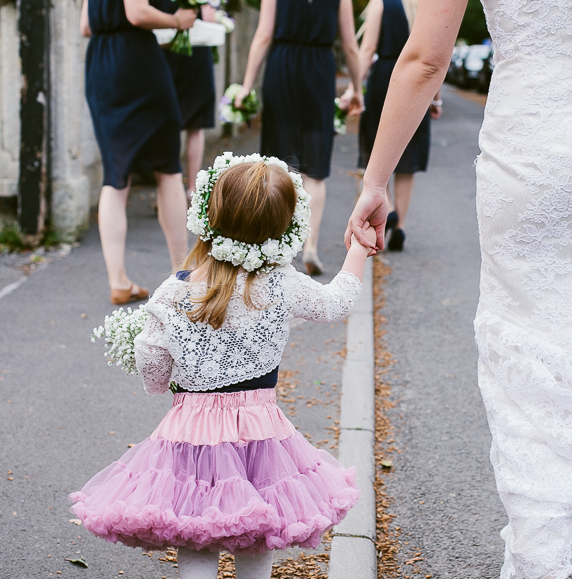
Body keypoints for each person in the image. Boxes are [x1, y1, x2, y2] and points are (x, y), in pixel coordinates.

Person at [346, 0, 572, 576]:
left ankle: (544, 544)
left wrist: (375, 180)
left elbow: (424, 58)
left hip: (532, 150)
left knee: (530, 352)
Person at [70, 156, 373, 579]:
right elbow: (336, 302)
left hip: (189, 436)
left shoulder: (171, 294)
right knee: (255, 530)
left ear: (209, 215)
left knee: (196, 531)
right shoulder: (283, 284)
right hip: (260, 435)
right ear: (285, 227)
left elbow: (155, 379)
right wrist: (359, 247)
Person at [234, 0, 364, 275]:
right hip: (319, 71)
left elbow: (263, 36)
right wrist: (357, 88)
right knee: (315, 168)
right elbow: (351, 46)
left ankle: (276, 245)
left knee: (276, 163)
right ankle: (311, 247)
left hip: (282, 68)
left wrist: (246, 86)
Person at [81, 0, 192, 304]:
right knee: (168, 170)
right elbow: (137, 12)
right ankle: (180, 275)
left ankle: (118, 281)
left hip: (101, 65)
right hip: (136, 61)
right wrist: (177, 20)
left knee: (115, 175)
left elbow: (86, 26)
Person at [346, 0, 441, 251]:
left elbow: (366, 51)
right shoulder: (424, 7)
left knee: (383, 150)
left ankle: (381, 216)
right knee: (407, 158)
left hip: (384, 83)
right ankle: (399, 225)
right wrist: (435, 97)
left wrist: (353, 88)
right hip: (416, 87)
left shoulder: (380, 4)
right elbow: (432, 57)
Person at [158, 1, 218, 200]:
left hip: (166, 50)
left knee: (167, 123)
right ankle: (192, 188)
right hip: (195, 50)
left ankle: (168, 191)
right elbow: (209, 17)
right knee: (196, 124)